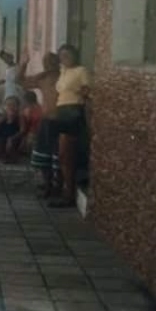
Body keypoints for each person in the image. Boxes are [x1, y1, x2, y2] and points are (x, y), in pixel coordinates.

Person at [46, 44, 91, 208]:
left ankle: (69, 194)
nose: (65, 58)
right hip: (62, 111)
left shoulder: (81, 71)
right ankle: (63, 188)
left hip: (73, 112)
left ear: (75, 55)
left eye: (68, 55)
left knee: (67, 155)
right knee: (61, 155)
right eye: (62, 56)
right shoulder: (63, 72)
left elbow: (87, 92)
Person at [17, 49, 61, 197]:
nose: (49, 64)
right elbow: (20, 82)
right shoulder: (43, 78)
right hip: (47, 120)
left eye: (52, 61)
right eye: (46, 62)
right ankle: (48, 185)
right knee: (43, 155)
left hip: (61, 120)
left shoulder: (64, 77)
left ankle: (57, 187)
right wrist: (24, 64)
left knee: (58, 156)